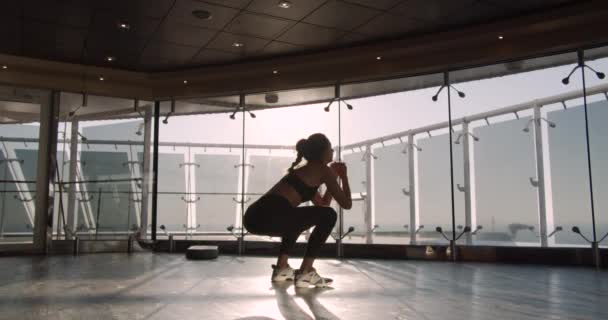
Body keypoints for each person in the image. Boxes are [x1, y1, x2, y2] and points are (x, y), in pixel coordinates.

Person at [244, 133, 352, 288]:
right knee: (328, 215)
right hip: (270, 214)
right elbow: (346, 204)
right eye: (330, 149)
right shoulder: (323, 170)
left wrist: (333, 181)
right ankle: (306, 271)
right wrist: (344, 176)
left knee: (298, 218)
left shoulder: (306, 171)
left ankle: (282, 268)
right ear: (322, 152)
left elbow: (322, 205)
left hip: (253, 217)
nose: (333, 152)